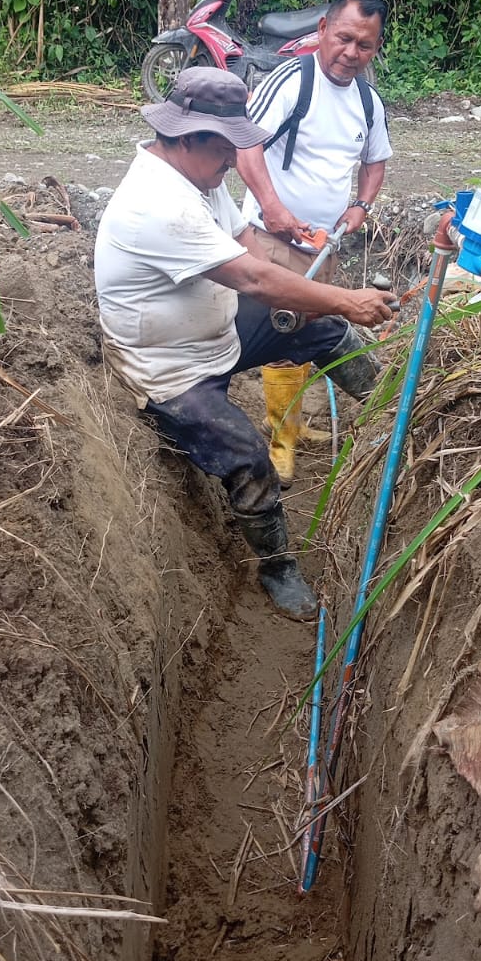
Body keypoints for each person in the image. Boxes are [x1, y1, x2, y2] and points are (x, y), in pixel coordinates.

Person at [94, 67, 397, 623]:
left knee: (319, 328)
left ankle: (399, 415)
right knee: (249, 458)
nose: (235, 161)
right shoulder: (157, 203)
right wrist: (344, 299)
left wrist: (302, 288)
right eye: (226, 149)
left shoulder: (198, 178)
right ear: (188, 138)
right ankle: (276, 567)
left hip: (217, 331)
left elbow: (245, 244)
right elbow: (253, 279)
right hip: (171, 369)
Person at [236, 0, 391, 487]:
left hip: (325, 245)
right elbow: (245, 148)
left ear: (375, 48)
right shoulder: (291, 81)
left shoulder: (368, 101)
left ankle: (293, 423)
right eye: (343, 38)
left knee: (309, 331)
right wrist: (273, 208)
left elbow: (375, 161)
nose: (351, 53)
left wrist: (361, 205)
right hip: (272, 238)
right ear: (323, 30)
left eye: (364, 45)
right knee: (283, 333)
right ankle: (280, 440)